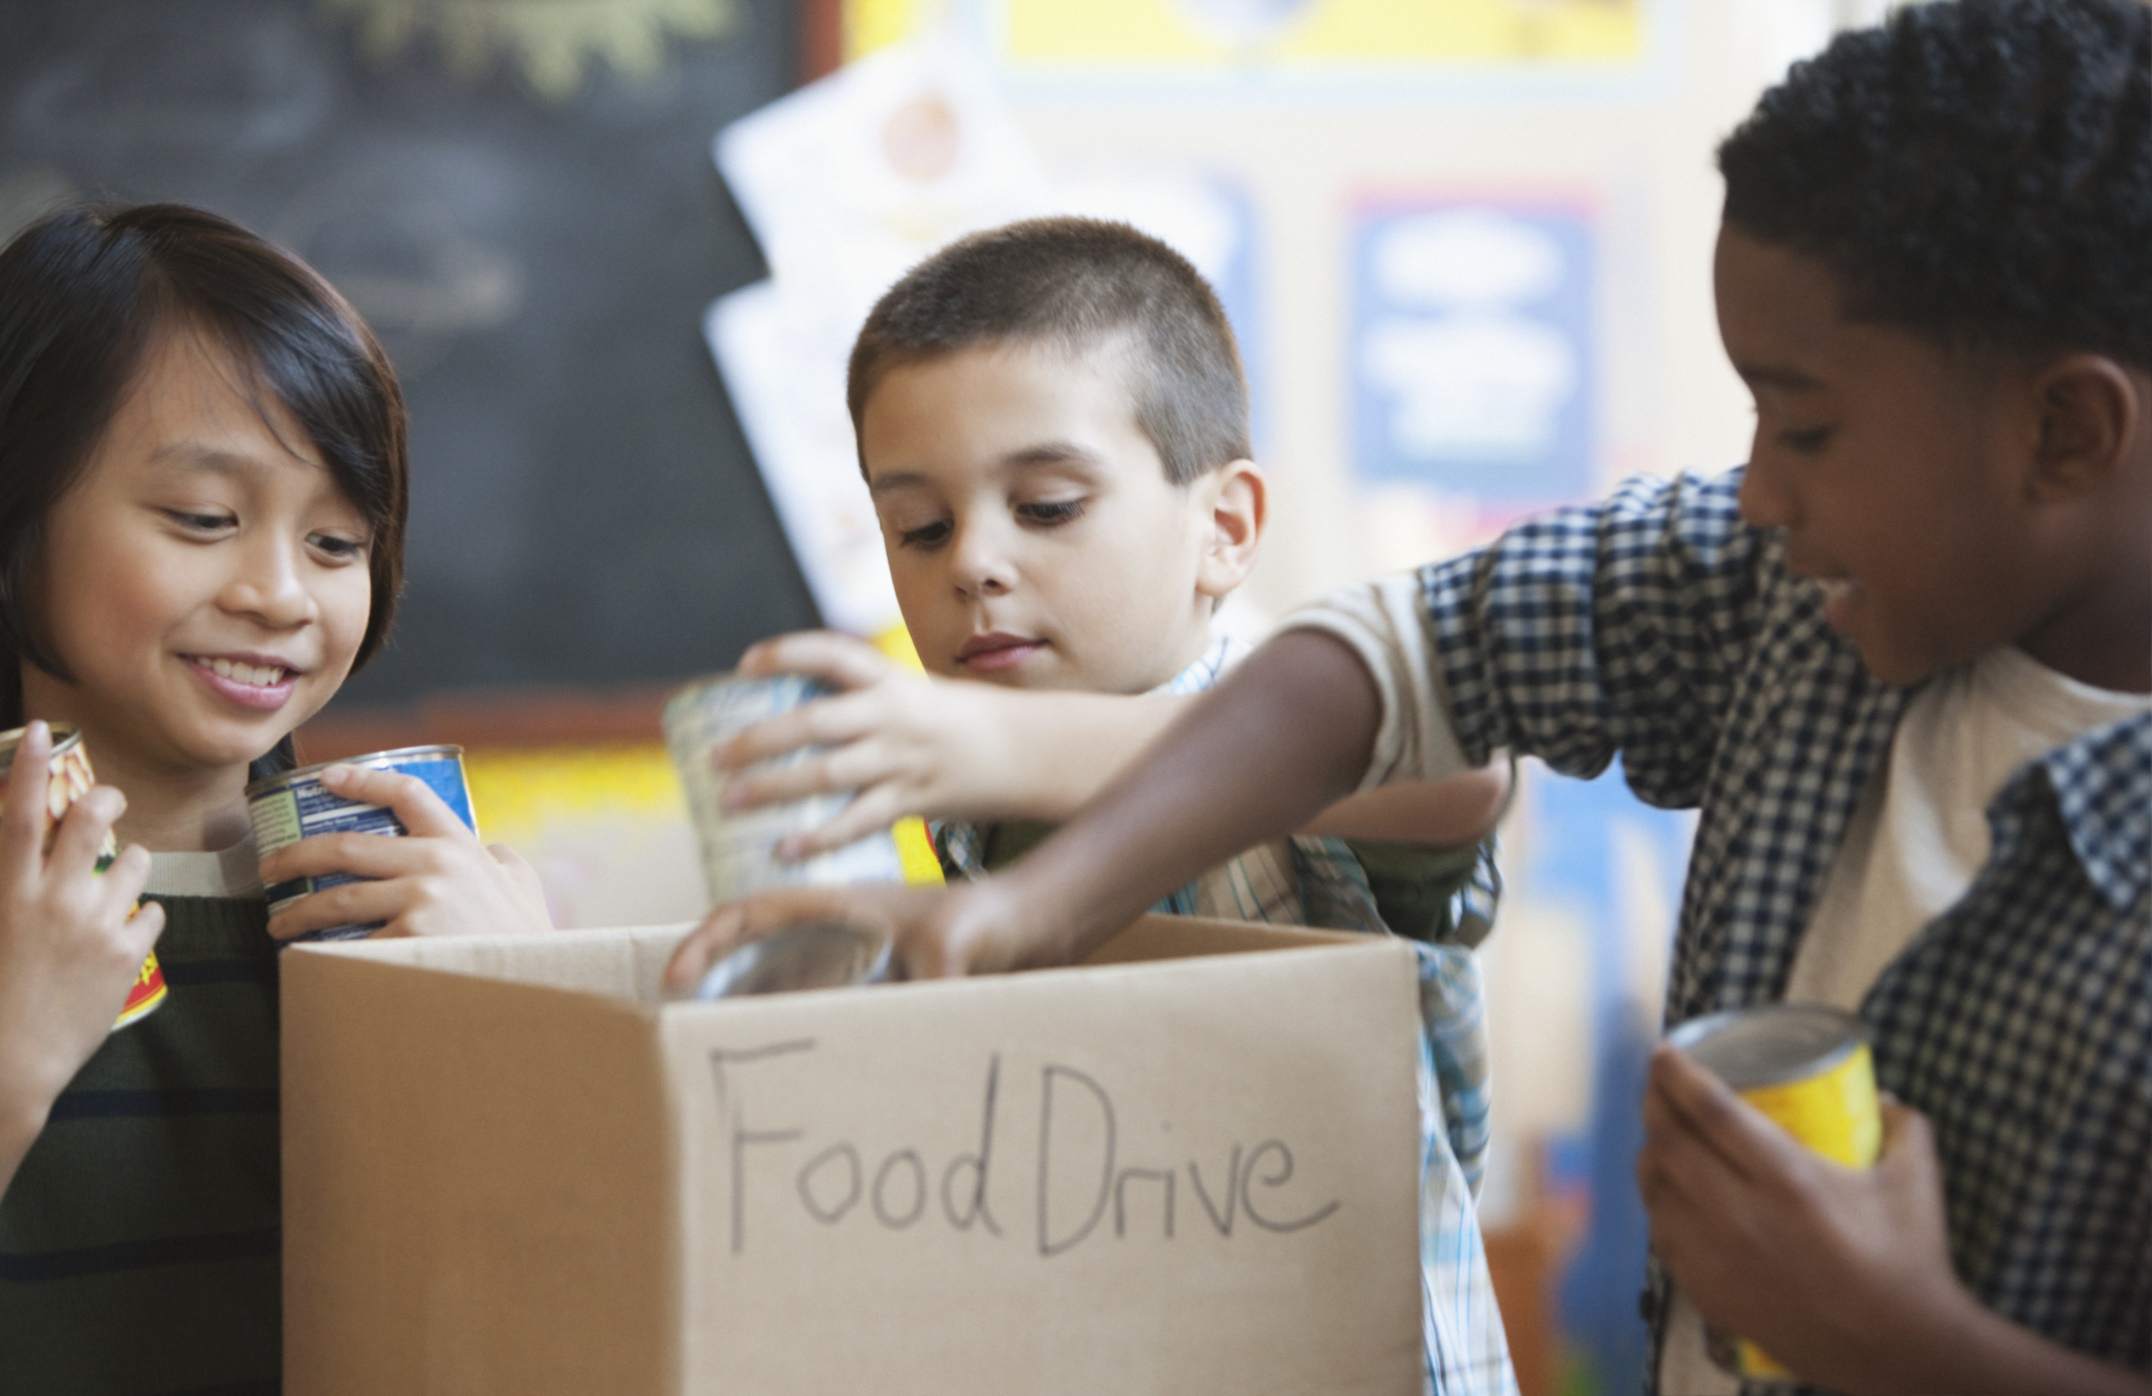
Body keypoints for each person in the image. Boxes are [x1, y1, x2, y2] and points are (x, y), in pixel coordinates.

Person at [668, 3, 2152, 1392]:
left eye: (1809, 427)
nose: (1758, 483)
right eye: (919, 530)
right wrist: (1011, 905)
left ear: (2068, 430)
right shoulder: (1770, 581)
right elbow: (1412, 664)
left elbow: (1445, 776)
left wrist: (1903, 1344)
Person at [702, 215, 1518, 1394]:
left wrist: (1003, 739)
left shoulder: (1297, 720)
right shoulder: (963, 807)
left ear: (1223, 528)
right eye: (918, 528)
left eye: (1044, 505)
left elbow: (1452, 772)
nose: (970, 563)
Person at [0, 202, 552, 1390]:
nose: (279, 593)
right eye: (204, 519)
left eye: (340, 542)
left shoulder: (406, 885)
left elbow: (566, 1291)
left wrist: (539, 1014)